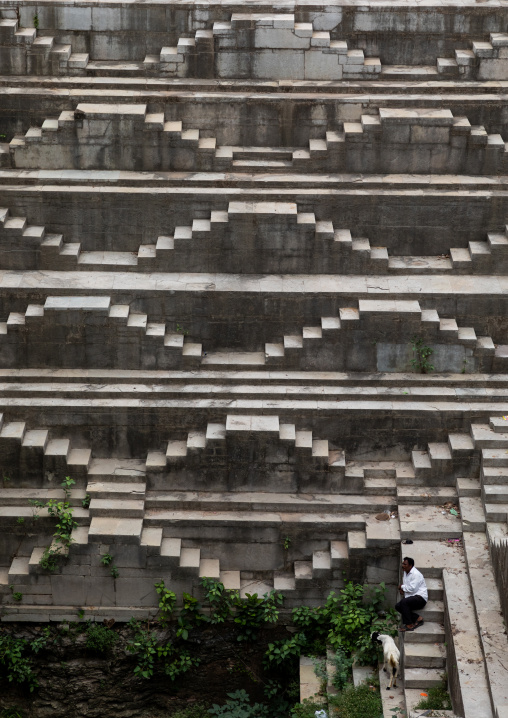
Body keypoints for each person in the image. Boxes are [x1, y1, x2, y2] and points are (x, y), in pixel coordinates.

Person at [395, 556, 427, 631]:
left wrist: (402, 587)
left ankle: (409, 625)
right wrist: (404, 589)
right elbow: (408, 586)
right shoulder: (406, 572)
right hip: (413, 597)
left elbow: (412, 588)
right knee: (398, 606)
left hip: (420, 598)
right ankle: (417, 618)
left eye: (405, 564)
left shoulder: (416, 574)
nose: (403, 565)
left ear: (410, 565)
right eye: (403, 564)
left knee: (404, 602)